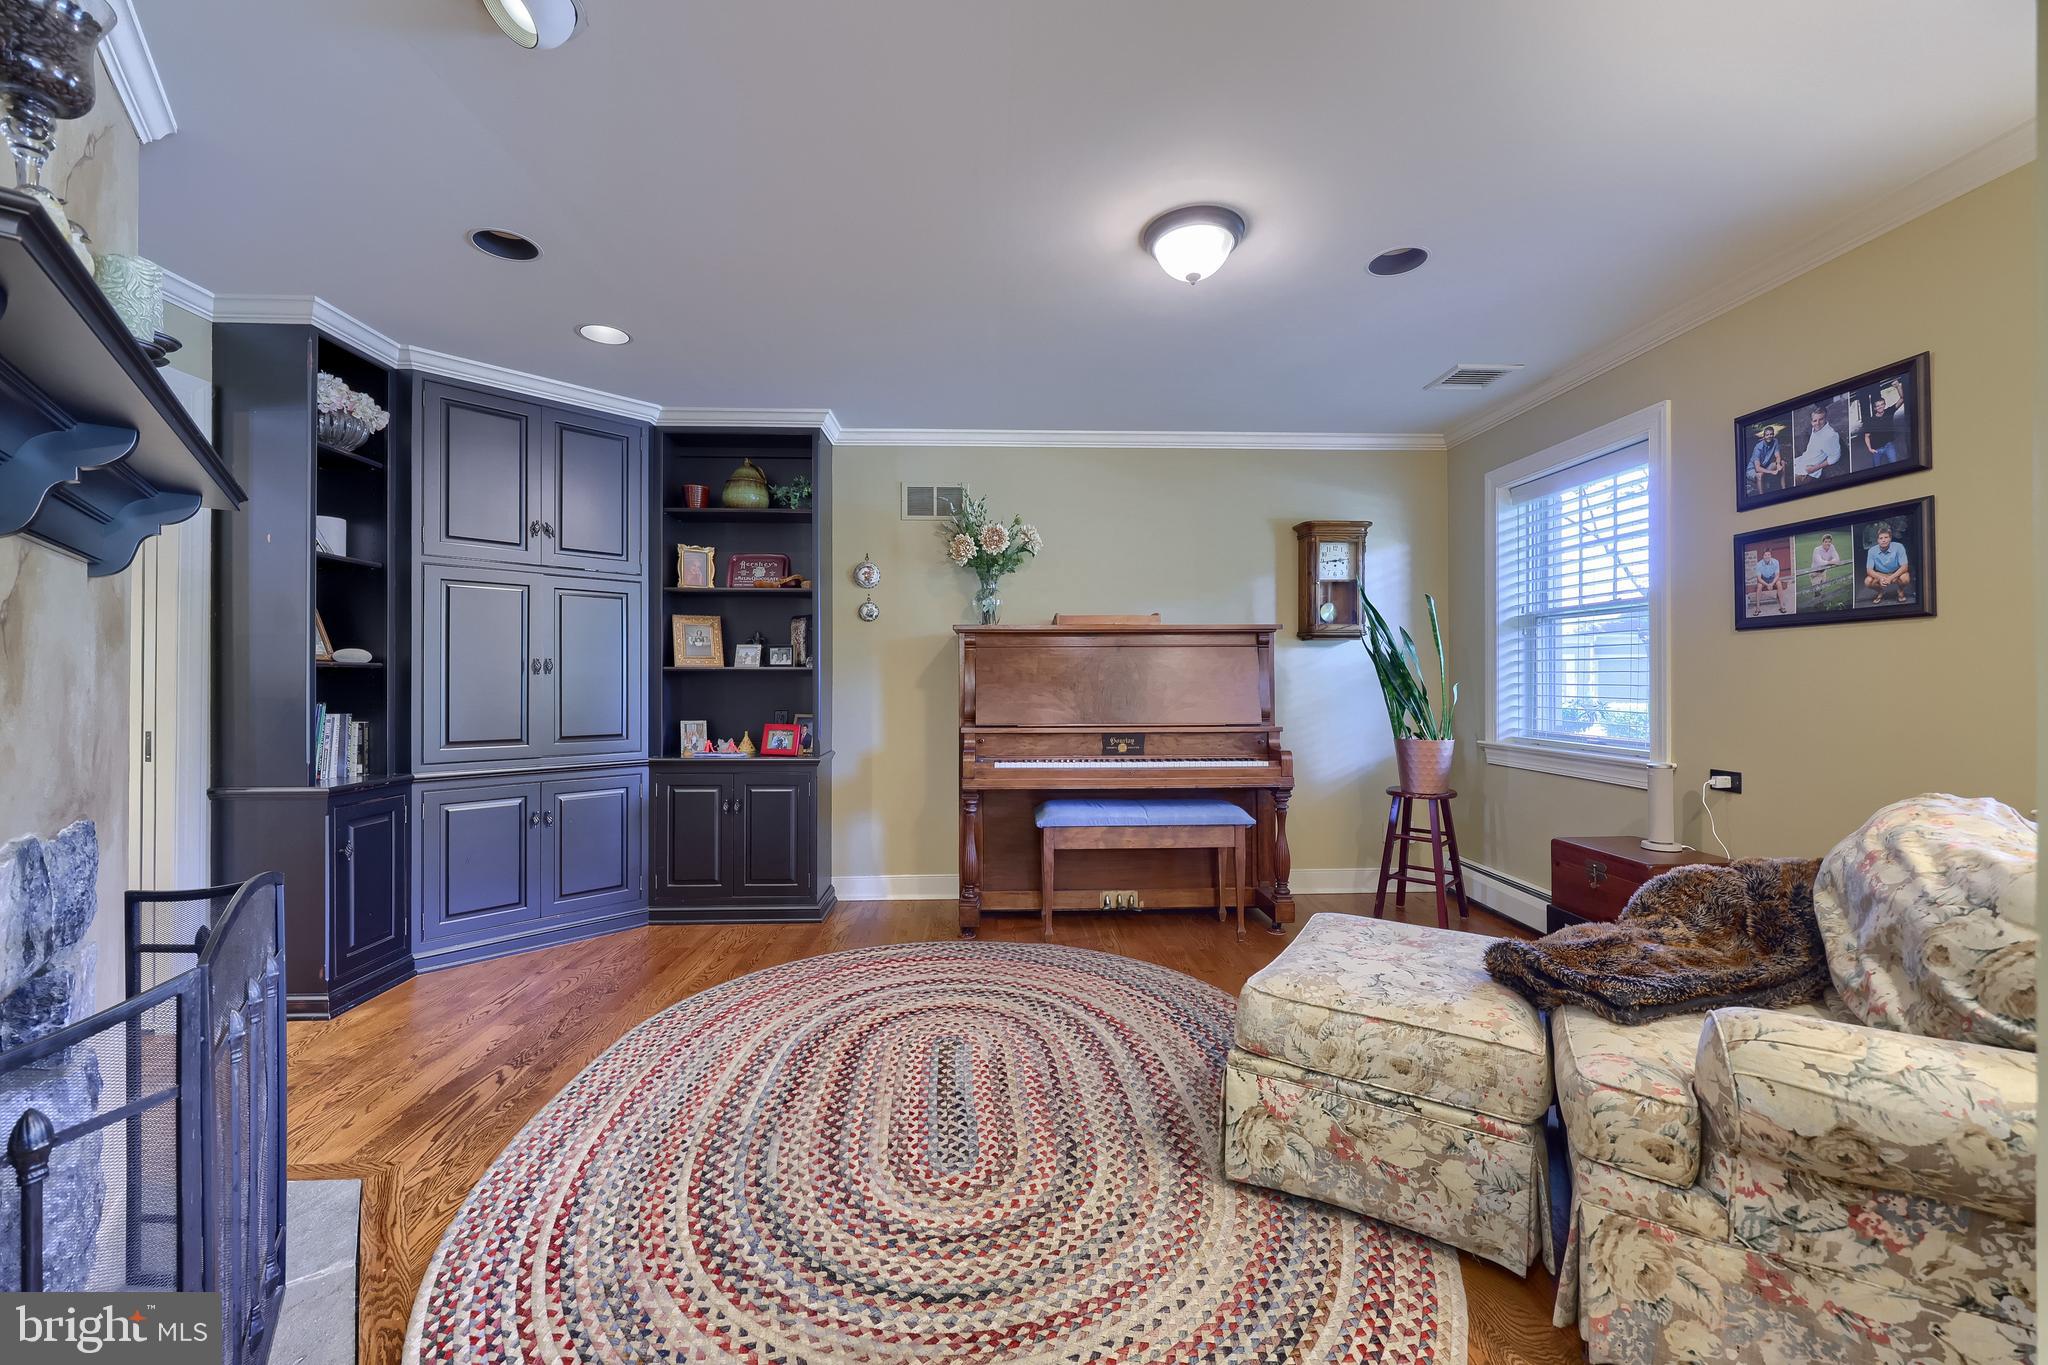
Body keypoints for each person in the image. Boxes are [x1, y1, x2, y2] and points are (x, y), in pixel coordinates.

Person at [1863, 525, 1912, 604]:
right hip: (1881, 573)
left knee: (1905, 578)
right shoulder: (1871, 551)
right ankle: (1880, 591)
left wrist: (1891, 578)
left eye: (1886, 537)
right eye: (1881, 538)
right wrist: (1880, 578)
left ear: (1890, 538)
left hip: (1896, 573)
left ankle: (1900, 590)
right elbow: (1869, 570)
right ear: (1877, 540)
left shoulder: (1899, 546)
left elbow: (1904, 567)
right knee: (1867, 581)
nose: (1883, 540)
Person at [1793, 405, 1842, 483]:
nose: (1818, 423)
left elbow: (1835, 457)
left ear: (1825, 418)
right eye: (1815, 420)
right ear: (1811, 421)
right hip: (1803, 460)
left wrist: (1814, 468)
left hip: (1809, 472)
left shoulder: (1831, 435)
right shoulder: (1815, 428)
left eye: (1821, 419)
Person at [1859, 388, 1904, 466]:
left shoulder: (1889, 412)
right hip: (1876, 449)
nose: (1880, 407)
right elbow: (1867, 436)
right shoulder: (1869, 421)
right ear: (1874, 408)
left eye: (1882, 404)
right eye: (1877, 406)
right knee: (1876, 467)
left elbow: (1902, 399)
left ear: (1884, 404)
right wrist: (1870, 449)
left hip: (1889, 445)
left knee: (1894, 465)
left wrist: (1897, 386)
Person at [1747, 425, 1785, 494]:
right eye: (1767, 435)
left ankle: (1784, 489)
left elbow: (1777, 456)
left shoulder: (1775, 441)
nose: (1769, 436)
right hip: (1753, 469)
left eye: (1771, 434)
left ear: (1773, 435)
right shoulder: (1758, 447)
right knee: (1759, 475)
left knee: (1782, 463)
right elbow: (1757, 468)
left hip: (1764, 466)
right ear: (1764, 436)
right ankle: (1761, 496)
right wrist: (1772, 472)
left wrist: (1778, 465)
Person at [1806, 532, 1842, 598]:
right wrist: (1831, 562)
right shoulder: (1817, 550)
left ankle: (1820, 601)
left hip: (1823, 571)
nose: (1828, 543)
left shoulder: (1831, 547)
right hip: (1815, 573)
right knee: (1817, 591)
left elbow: (1837, 559)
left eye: (1829, 542)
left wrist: (1831, 562)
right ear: (1822, 542)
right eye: (1826, 542)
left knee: (1821, 588)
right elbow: (1820, 562)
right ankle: (1817, 602)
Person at [1752, 546, 1786, 614]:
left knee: (1779, 584)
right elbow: (1759, 578)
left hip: (1773, 578)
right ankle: (1758, 608)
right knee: (1759, 586)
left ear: (1771, 555)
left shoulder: (1776, 562)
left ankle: (1782, 606)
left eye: (1768, 554)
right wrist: (1767, 585)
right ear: (1763, 556)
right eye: (1765, 555)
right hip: (1763, 579)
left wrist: (1772, 583)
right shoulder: (1759, 564)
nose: (1767, 556)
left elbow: (1777, 575)